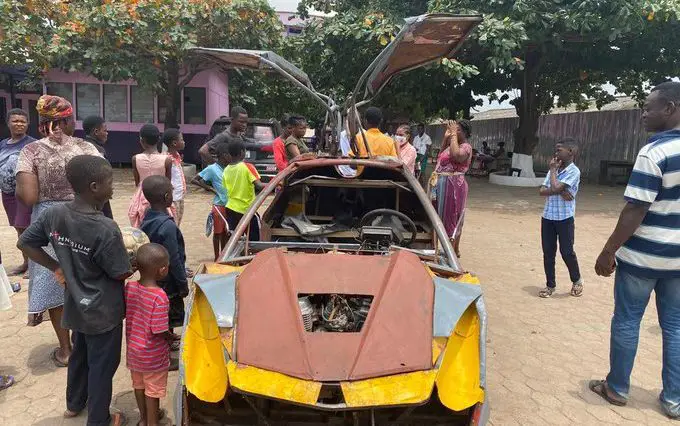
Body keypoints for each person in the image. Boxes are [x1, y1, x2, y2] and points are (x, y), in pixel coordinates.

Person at [18, 155, 132, 426]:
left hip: (77, 304)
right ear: (94, 187)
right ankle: (100, 419)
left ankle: (74, 404)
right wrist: (138, 259)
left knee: (80, 354)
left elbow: (25, 243)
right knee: (102, 367)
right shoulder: (106, 228)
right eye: (110, 182)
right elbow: (120, 272)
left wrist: (56, 266)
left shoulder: (55, 213)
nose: (113, 187)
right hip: (104, 312)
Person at [590, 81, 680, 419]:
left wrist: (608, 250)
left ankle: (617, 388)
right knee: (676, 327)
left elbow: (635, 210)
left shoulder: (653, 152)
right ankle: (674, 400)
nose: (643, 113)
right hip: (678, 262)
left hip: (642, 257)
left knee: (628, 320)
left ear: (670, 108)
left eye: (649, 107)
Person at [15, 95, 102, 366]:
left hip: (49, 221)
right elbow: (103, 184)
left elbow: (28, 197)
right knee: (87, 278)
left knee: (56, 281)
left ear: (43, 122)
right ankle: (88, 343)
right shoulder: (85, 147)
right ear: (66, 120)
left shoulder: (31, 151)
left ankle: (66, 350)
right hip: (85, 216)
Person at [140, 175, 188, 359]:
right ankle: (165, 354)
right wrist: (182, 283)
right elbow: (173, 258)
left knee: (158, 314)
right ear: (167, 196)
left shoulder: (148, 218)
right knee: (166, 316)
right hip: (168, 281)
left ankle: (164, 345)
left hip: (152, 276)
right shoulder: (166, 226)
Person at [125, 243, 172, 426]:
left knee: (138, 385)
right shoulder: (160, 296)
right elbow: (159, 329)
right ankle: (152, 422)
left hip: (134, 351)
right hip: (152, 355)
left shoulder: (129, 288)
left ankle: (144, 419)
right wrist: (171, 338)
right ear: (162, 270)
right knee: (153, 390)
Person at [537, 140, 583, 298]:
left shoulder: (573, 171)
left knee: (567, 251)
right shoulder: (554, 170)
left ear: (570, 151)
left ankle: (577, 280)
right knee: (548, 252)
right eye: (555, 150)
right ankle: (550, 285)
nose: (556, 153)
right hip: (548, 217)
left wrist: (555, 183)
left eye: (559, 150)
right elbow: (542, 191)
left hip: (564, 219)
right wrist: (560, 190)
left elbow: (554, 187)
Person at [429, 120, 472, 258]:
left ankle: (452, 252)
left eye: (457, 130)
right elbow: (440, 157)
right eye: (454, 129)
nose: (454, 132)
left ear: (465, 133)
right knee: (436, 215)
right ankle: (436, 249)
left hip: (453, 187)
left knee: (452, 216)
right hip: (440, 184)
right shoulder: (450, 145)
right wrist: (446, 137)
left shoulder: (466, 147)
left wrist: (453, 136)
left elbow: (457, 156)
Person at [0, 108, 35, 275]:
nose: (19, 124)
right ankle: (26, 262)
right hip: (7, 194)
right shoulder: (2, 144)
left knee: (28, 228)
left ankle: (35, 264)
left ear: (28, 124)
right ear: (8, 123)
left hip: (24, 193)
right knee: (18, 228)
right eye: (15, 121)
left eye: (23, 121)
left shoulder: (32, 144)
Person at [128, 124, 172, 228]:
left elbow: (137, 182)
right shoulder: (167, 160)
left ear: (141, 140)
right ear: (159, 139)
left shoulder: (135, 159)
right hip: (161, 196)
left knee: (141, 226)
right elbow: (168, 182)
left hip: (142, 195)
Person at [192, 141, 230, 260]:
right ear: (224, 155)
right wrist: (210, 189)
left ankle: (223, 255)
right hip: (219, 204)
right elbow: (195, 180)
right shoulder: (212, 169)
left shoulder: (229, 168)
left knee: (226, 232)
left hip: (229, 204)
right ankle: (216, 256)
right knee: (218, 233)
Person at [223, 137, 266, 241]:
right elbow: (259, 186)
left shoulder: (226, 170)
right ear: (242, 152)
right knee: (254, 238)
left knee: (235, 239)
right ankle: (251, 256)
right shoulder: (247, 166)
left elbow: (226, 188)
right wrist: (276, 183)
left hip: (230, 208)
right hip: (246, 209)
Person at [82, 115, 113, 219]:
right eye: (105, 130)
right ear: (96, 132)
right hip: (98, 195)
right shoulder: (98, 151)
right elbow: (104, 175)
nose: (107, 133)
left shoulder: (80, 146)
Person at [162, 128, 186, 226]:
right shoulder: (166, 159)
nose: (184, 142)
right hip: (173, 199)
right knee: (173, 223)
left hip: (180, 197)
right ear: (174, 143)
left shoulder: (177, 156)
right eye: (182, 139)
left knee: (177, 223)